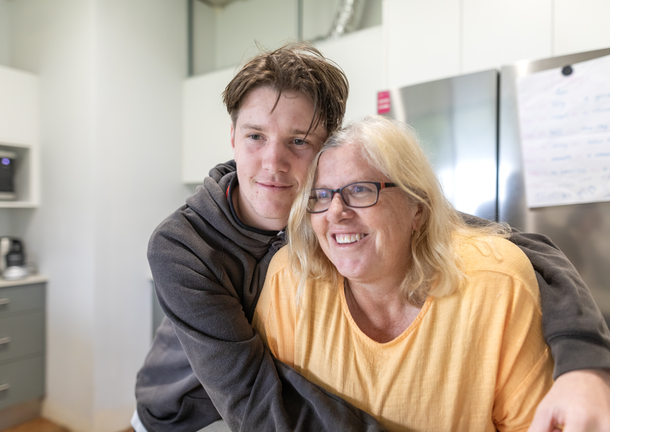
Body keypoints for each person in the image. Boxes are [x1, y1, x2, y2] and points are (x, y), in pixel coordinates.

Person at [134, 42, 610, 432]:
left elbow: (517, 245)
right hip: (191, 413)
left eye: (298, 141)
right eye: (256, 136)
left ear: (326, 149)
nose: (273, 163)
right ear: (233, 136)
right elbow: (255, 404)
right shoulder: (181, 246)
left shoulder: (329, 204)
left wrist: (586, 365)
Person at [253, 115, 554, 431]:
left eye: (360, 189)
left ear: (418, 207)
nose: (336, 213)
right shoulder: (291, 278)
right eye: (322, 195)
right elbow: (269, 413)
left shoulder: (495, 282)